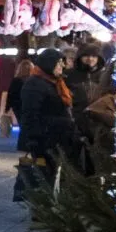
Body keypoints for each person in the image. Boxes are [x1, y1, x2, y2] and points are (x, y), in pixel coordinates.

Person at [19, 49, 76, 194]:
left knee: (55, 175)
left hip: (57, 138)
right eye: (58, 64)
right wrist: (32, 140)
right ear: (48, 64)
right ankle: (43, 210)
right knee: (45, 176)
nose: (61, 67)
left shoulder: (55, 82)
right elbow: (30, 114)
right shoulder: (35, 84)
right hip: (43, 140)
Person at [66, 43, 112, 166]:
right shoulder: (70, 75)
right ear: (80, 57)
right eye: (86, 55)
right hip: (76, 121)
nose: (90, 59)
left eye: (94, 56)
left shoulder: (105, 76)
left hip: (99, 123)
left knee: (97, 160)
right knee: (74, 160)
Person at [3, 58, 34, 140]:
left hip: (18, 106)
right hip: (30, 106)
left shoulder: (16, 80)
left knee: (22, 123)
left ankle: (24, 140)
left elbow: (11, 95)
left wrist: (7, 108)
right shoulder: (33, 81)